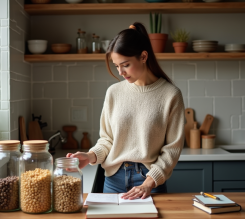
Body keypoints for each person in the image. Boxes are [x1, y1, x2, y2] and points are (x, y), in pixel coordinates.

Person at [66, 22, 185, 200]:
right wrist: (90, 156)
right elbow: (107, 139)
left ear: (143, 56)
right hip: (113, 180)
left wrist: (148, 182)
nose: (120, 72)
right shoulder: (114, 92)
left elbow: (172, 149)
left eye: (125, 65)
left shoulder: (170, 95)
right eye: (116, 66)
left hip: (149, 181)